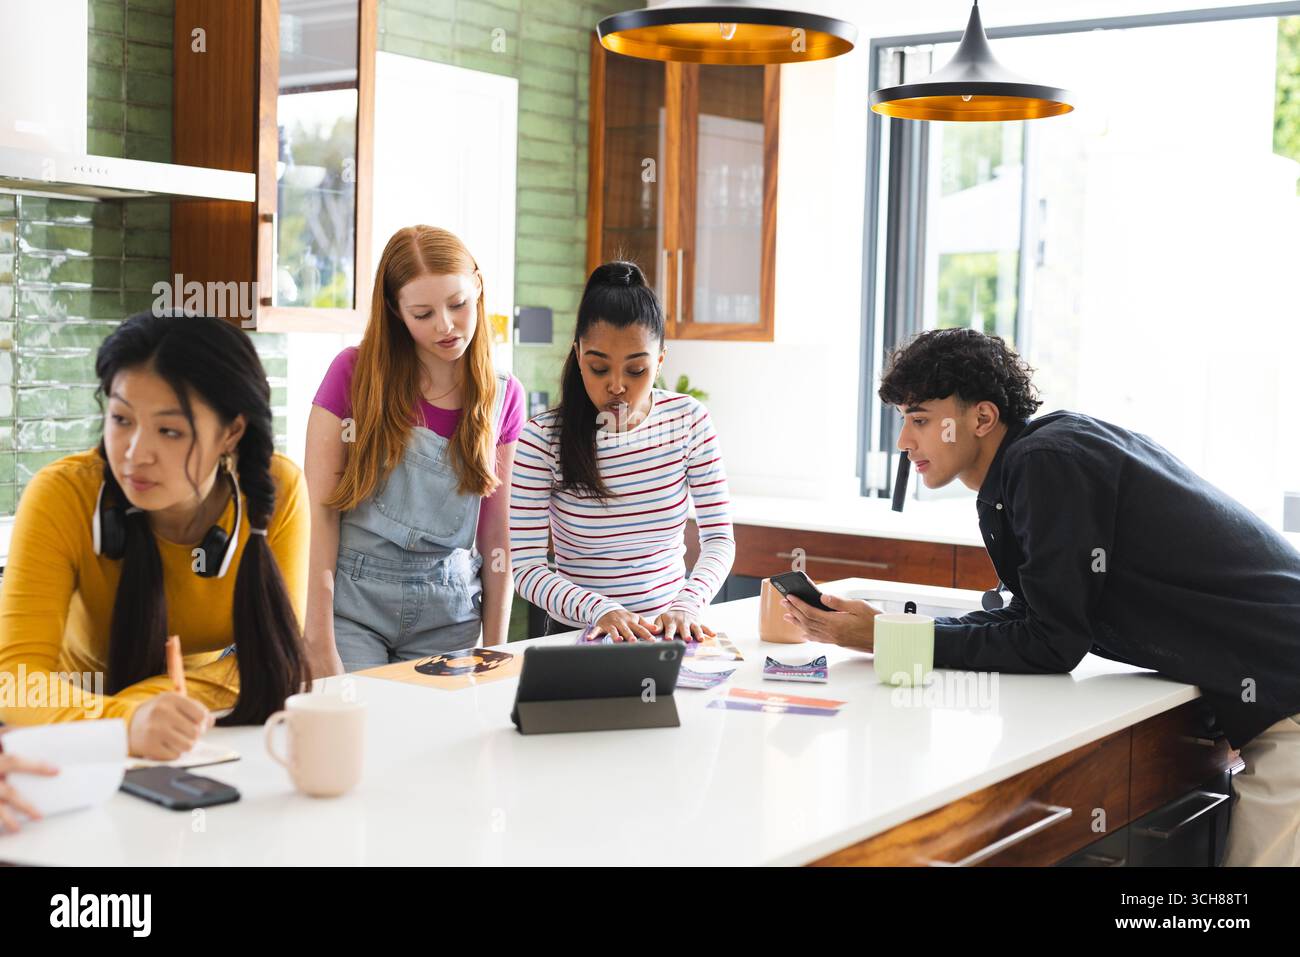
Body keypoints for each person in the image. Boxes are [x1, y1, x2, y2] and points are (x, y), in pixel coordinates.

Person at [781, 327, 1300, 866]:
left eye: (921, 420)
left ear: (981, 419)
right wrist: (888, 629)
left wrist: (887, 639)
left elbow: (1052, 643)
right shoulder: (1027, 467)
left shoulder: (1045, 463)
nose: (905, 442)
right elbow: (1028, 619)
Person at [0, 313, 310, 759]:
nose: (135, 453)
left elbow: (271, 658)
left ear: (231, 432)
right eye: (122, 419)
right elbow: (16, 678)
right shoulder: (62, 494)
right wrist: (125, 723)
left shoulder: (276, 491)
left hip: (194, 732)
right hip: (68, 741)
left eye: (169, 431)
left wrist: (150, 708)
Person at [305, 226, 523, 672]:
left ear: (477, 287)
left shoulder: (504, 396)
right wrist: (318, 639)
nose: (445, 325)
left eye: (458, 305)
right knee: (364, 734)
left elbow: (497, 536)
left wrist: (497, 651)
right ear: (395, 311)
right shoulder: (352, 374)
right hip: (353, 609)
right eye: (423, 314)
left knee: (434, 739)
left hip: (450, 612)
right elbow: (319, 518)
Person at [510, 261, 735, 642]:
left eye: (636, 371)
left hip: (667, 634)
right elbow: (526, 568)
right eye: (599, 368)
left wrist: (687, 605)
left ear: (660, 360)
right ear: (578, 355)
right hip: (577, 635)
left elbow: (719, 540)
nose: (616, 386)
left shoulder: (688, 421)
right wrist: (601, 610)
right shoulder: (542, 439)